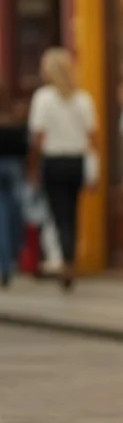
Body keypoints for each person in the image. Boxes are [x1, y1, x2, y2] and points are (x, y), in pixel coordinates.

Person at [28, 49, 98, 291]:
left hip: (54, 161)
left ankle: (65, 261)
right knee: (72, 212)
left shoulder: (43, 98)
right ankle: (70, 260)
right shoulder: (83, 99)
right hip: (76, 162)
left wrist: (33, 167)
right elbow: (92, 137)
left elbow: (37, 137)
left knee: (59, 214)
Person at [0, 85, 29, 287]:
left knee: (2, 217)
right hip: (15, 169)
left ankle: (5, 266)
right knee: (15, 215)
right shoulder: (15, 120)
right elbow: (25, 148)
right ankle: (12, 258)